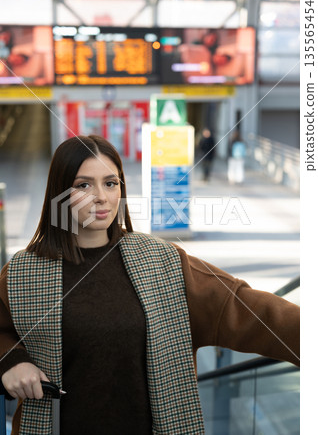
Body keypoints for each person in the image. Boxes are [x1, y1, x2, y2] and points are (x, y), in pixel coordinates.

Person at [0, 135, 299, 434]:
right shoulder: (23, 272)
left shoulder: (162, 262)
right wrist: (12, 361)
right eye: (83, 185)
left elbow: (248, 309)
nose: (101, 196)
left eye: (110, 182)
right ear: (60, 192)